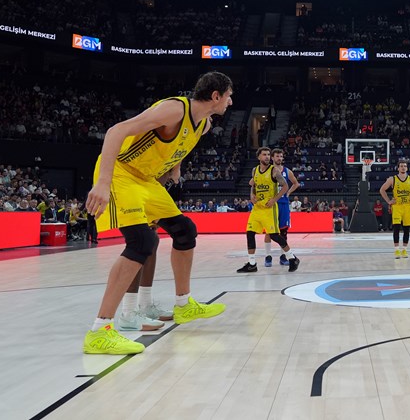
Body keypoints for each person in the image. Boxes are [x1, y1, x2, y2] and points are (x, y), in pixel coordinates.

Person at [83, 72, 232, 355]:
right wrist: (102, 183)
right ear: (215, 96)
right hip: (120, 174)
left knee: (184, 231)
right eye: (228, 95)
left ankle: (184, 304)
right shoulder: (175, 109)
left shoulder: (204, 125)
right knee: (141, 242)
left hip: (146, 180)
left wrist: (175, 168)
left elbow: (177, 147)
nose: (230, 101)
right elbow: (116, 131)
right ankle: (99, 331)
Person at [236, 147, 300, 274]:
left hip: (269, 208)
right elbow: (253, 185)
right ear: (258, 157)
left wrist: (275, 199)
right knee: (249, 233)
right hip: (257, 208)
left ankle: (292, 258)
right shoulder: (254, 170)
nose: (266, 157)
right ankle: (252, 263)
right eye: (264, 155)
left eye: (268, 155)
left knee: (275, 235)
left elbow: (286, 186)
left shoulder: (274, 171)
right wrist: (251, 196)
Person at [263, 148, 299, 267]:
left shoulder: (287, 171)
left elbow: (296, 183)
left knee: (283, 231)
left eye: (281, 156)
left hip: (283, 204)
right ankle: (268, 257)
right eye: (277, 156)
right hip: (271, 204)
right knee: (269, 232)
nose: (279, 158)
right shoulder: (267, 170)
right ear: (272, 158)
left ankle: (283, 257)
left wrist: (288, 193)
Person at [380, 159, 410, 258]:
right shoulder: (392, 179)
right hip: (397, 207)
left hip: (407, 207)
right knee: (396, 228)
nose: (403, 167)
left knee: (407, 229)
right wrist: (388, 201)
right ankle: (396, 250)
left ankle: (404, 250)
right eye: (401, 166)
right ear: (398, 168)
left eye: (405, 166)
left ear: (407, 168)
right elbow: (382, 190)